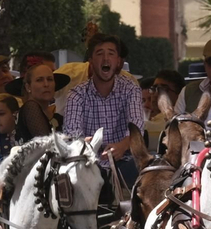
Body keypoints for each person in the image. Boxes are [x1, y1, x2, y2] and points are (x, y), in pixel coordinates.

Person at [62, 34, 147, 187]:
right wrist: (85, 143)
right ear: (91, 62)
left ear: (118, 61)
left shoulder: (130, 88)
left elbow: (137, 127)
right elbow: (72, 135)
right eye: (100, 54)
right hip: (89, 164)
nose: (106, 59)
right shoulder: (77, 94)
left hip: (125, 162)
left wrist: (122, 145)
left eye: (111, 54)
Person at [8, 56, 67, 142]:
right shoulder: (30, 108)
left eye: (50, 79)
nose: (46, 84)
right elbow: (47, 146)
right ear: (28, 87)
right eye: (39, 80)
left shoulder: (59, 118)